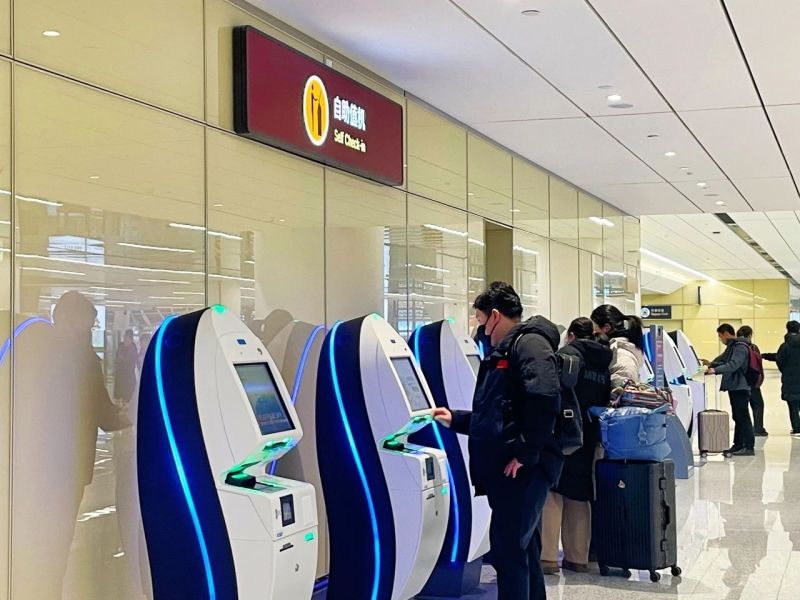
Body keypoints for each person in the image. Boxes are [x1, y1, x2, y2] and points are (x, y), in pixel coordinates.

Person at [432, 282, 563, 600]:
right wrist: (456, 419)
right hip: (514, 469)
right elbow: (499, 415)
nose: (481, 330)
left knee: (508, 551)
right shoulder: (511, 348)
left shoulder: (528, 344)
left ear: (494, 315)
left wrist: (525, 453)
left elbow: (545, 397)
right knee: (521, 548)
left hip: (523, 470)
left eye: (481, 321)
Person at [541, 317, 612, 575]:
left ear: (570, 334)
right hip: (590, 434)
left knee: (553, 491)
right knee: (580, 495)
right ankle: (578, 558)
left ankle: (547, 558)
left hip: (563, 432)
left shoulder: (566, 356)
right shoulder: (603, 361)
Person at [703, 323, 755, 456]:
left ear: (726, 334)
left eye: (720, 336)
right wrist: (713, 365)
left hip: (740, 386)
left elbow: (733, 365)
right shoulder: (734, 346)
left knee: (743, 417)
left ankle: (748, 447)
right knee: (738, 416)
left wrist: (715, 370)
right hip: (735, 386)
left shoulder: (740, 347)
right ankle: (738, 445)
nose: (721, 339)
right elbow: (726, 362)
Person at [590, 304, 645, 388]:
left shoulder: (622, 358)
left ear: (606, 328)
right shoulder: (614, 352)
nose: (592, 333)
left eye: (594, 328)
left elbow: (622, 394)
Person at [763, 320, 800, 436]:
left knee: (793, 405)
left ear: (787, 330)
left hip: (790, 380)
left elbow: (779, 359)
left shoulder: (785, 346)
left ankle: (797, 428)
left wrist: (785, 370)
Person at [736, 325, 768, 437]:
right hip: (752, 380)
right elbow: (758, 365)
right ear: (750, 335)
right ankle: (758, 429)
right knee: (758, 404)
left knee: (741, 407)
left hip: (739, 381)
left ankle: (745, 430)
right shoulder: (753, 347)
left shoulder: (735, 347)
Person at [114, 328, 139, 407]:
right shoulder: (121, 345)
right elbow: (117, 357)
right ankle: (119, 406)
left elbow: (130, 360)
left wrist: (122, 358)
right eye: (124, 337)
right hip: (120, 373)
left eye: (127, 338)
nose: (125, 339)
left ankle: (126, 406)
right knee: (119, 392)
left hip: (128, 375)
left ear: (131, 339)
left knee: (127, 392)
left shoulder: (133, 348)